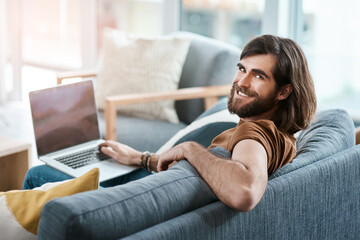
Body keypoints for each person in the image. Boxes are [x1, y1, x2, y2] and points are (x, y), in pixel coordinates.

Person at [23, 34, 316, 211]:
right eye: (242, 69)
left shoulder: (253, 133)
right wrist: (142, 158)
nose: (242, 81)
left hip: (139, 203)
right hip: (158, 185)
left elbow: (245, 192)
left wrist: (189, 148)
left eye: (259, 75)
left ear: (283, 91)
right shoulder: (282, 134)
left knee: (38, 175)